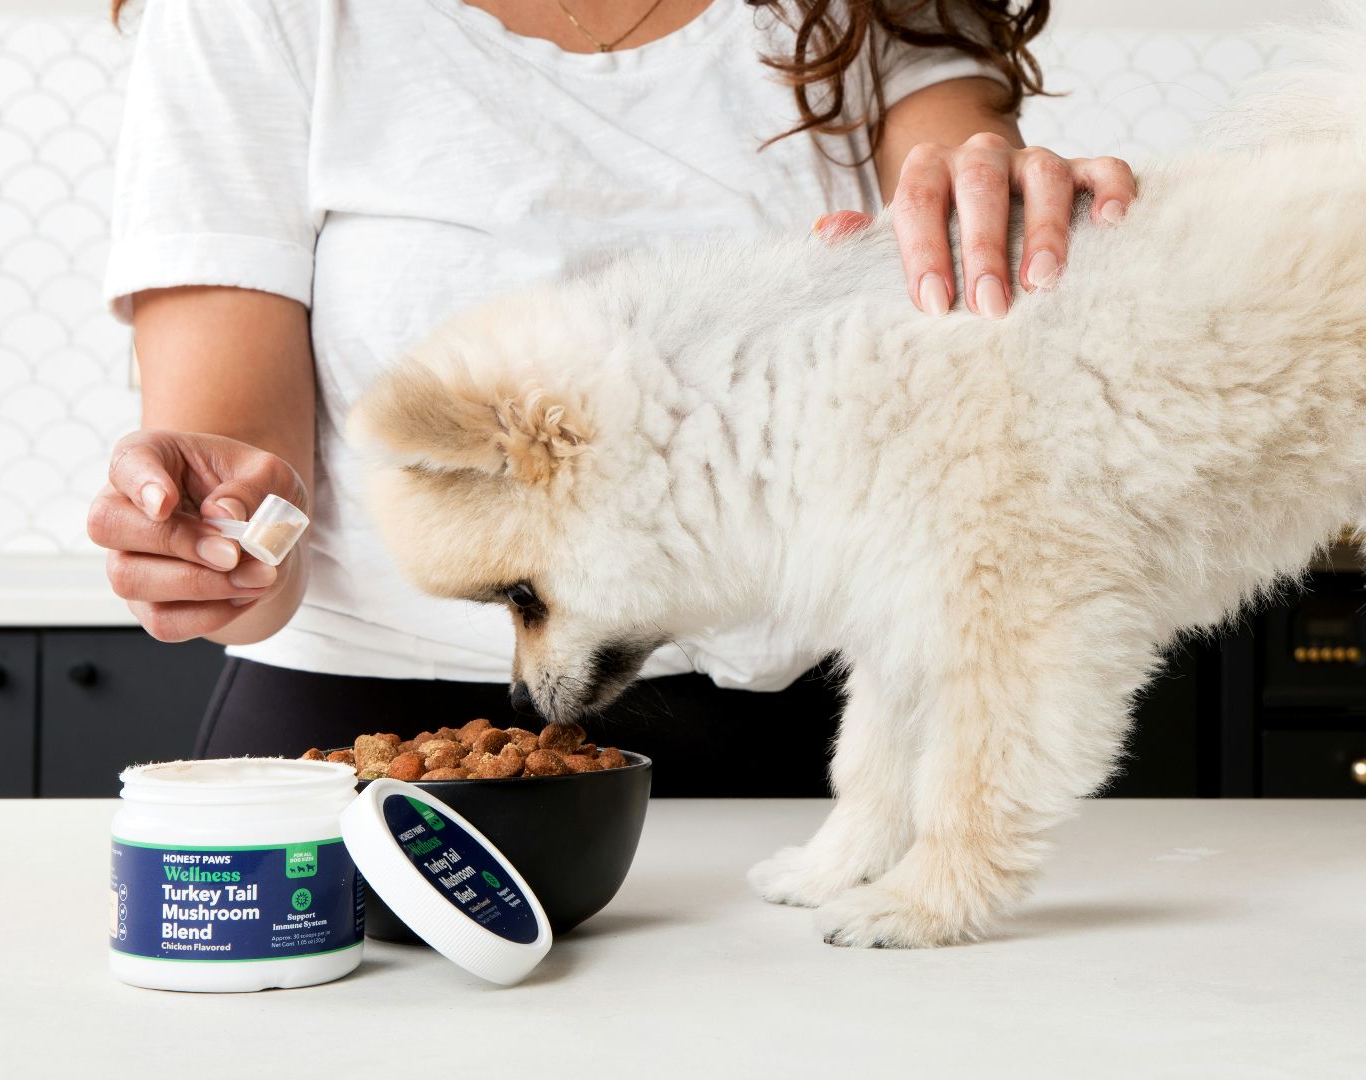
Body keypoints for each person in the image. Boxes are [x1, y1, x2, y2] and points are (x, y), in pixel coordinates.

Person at [86, 0, 1134, 794]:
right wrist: (214, 544)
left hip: (810, 737)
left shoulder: (863, 15)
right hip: (380, 741)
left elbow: (954, 205)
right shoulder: (251, 15)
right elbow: (250, 533)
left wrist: (1011, 220)